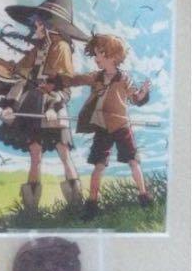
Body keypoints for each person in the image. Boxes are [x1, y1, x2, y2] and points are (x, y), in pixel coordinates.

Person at [0, 0, 87, 212]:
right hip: (32, 105)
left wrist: (54, 106)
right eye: (35, 23)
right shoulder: (37, 49)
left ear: (50, 25)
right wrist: (10, 104)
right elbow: (20, 76)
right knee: (35, 154)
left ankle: (76, 206)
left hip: (53, 105)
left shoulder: (62, 48)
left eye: (38, 23)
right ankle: (30, 210)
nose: (34, 27)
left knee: (63, 153)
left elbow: (64, 83)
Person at [46, 32, 152, 221]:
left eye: (98, 54)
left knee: (133, 161)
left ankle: (144, 196)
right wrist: (56, 81)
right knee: (98, 165)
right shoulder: (96, 77)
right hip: (102, 127)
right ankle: (92, 205)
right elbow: (76, 79)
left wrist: (142, 94)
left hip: (121, 126)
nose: (95, 58)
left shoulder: (124, 78)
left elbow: (135, 98)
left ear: (112, 56)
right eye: (95, 54)